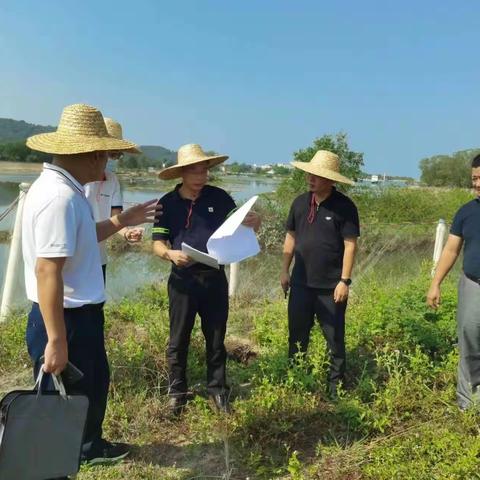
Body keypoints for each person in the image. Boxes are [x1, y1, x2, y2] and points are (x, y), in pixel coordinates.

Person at [23, 103, 161, 472]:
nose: (107, 167)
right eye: (106, 157)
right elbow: (47, 271)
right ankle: (51, 467)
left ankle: (85, 448)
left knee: (90, 388)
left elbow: (83, 241)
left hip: (77, 315)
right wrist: (57, 339)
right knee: (60, 407)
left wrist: (121, 220)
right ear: (91, 154)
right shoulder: (59, 198)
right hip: (65, 318)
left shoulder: (66, 192)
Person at [152, 143, 260, 415]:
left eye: (204, 171)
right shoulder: (167, 203)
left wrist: (253, 223)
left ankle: (218, 390)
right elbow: (157, 243)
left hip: (214, 278)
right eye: (195, 172)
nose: (201, 177)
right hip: (182, 280)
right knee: (178, 339)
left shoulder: (220, 198)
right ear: (182, 174)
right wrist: (170, 254)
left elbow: (237, 228)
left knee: (215, 337)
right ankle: (177, 392)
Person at [280, 150, 359, 399]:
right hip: (301, 283)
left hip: (330, 286)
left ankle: (335, 387)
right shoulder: (300, 203)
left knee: (334, 338)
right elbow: (290, 237)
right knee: (297, 336)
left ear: (331, 179)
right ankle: (296, 380)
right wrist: (284, 270)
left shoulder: (345, 207)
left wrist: (344, 281)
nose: (310, 179)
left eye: (317, 176)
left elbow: (350, 245)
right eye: (309, 174)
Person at [427, 153, 480, 410]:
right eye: (474, 179)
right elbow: (450, 250)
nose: (477, 184)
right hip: (473, 286)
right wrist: (435, 283)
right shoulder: (466, 212)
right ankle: (468, 405)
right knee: (469, 341)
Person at [84, 117, 144, 282]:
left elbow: (115, 218)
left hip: (98, 258)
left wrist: (126, 232)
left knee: (96, 305)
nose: (113, 159)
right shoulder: (79, 180)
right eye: (111, 153)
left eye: (117, 154)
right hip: (74, 259)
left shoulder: (112, 180)